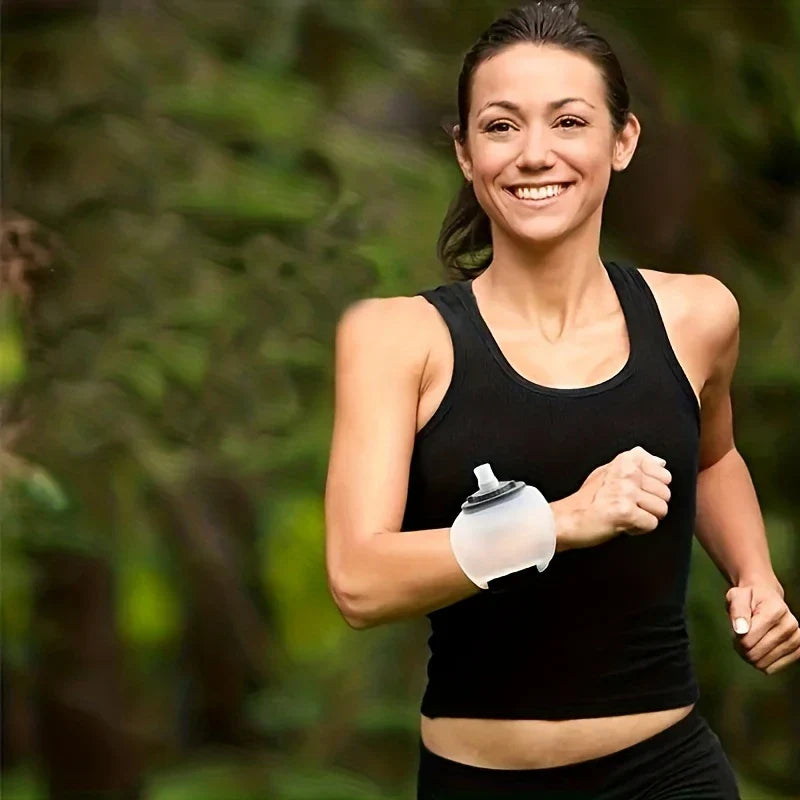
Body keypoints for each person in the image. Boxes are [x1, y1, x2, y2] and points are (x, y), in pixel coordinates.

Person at [324, 2, 799, 798]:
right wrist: (556, 520)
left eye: (569, 122)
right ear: (465, 153)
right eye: (501, 126)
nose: (534, 155)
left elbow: (713, 455)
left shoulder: (697, 316)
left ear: (623, 141)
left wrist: (756, 575)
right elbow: (359, 581)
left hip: (667, 774)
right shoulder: (397, 338)